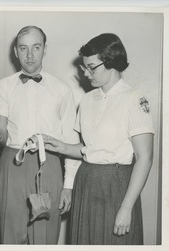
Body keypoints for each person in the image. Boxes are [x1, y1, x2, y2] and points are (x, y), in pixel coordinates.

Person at [44, 33, 154, 245]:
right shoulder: (87, 100)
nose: (85, 73)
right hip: (86, 181)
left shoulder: (134, 100)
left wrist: (126, 207)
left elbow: (145, 158)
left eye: (91, 67)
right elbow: (89, 150)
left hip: (116, 186)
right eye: (84, 67)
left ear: (110, 62)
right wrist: (62, 146)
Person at [0, 25, 81, 244]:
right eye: (23, 48)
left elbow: (70, 140)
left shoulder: (61, 90)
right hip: (13, 163)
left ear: (45, 49)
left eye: (36, 47)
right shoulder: (4, 86)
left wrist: (68, 185)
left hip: (48, 164)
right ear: (15, 52)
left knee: (46, 235)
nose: (29, 55)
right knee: (10, 233)